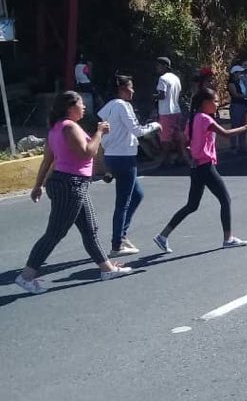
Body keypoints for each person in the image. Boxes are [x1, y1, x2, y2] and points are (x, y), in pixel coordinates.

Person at [15, 92, 133, 294]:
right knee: (55, 232)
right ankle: (26, 276)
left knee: (90, 228)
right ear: (70, 107)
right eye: (81, 104)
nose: (84, 107)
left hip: (72, 183)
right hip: (70, 184)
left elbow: (47, 161)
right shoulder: (69, 127)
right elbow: (88, 152)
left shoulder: (56, 128)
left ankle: (107, 269)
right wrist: (99, 132)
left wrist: (38, 185)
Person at [154, 88, 247, 253]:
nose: (218, 104)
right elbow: (226, 134)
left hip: (196, 166)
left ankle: (163, 236)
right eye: (216, 101)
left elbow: (183, 141)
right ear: (205, 103)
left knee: (192, 205)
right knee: (225, 200)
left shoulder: (193, 119)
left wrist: (189, 158)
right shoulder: (205, 119)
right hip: (205, 166)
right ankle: (228, 238)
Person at [98, 75, 162, 257]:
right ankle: (117, 244)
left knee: (137, 195)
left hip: (113, 156)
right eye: (130, 87)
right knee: (123, 203)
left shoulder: (110, 106)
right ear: (122, 89)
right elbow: (137, 130)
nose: (133, 91)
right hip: (124, 158)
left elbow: (106, 126)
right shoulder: (123, 106)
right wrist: (155, 125)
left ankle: (122, 235)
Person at [154, 57, 187, 166]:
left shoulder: (162, 79)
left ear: (164, 66)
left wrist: (153, 96)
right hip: (176, 110)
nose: (157, 68)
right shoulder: (176, 78)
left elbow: (162, 95)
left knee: (165, 137)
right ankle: (181, 156)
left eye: (159, 65)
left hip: (166, 112)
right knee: (176, 136)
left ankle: (166, 160)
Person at [227, 65, 247, 153]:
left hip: (244, 105)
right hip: (236, 105)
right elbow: (235, 95)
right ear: (234, 74)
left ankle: (242, 145)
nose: (241, 74)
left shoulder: (241, 82)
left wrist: (245, 82)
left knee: (243, 125)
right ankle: (233, 146)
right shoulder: (231, 83)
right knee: (235, 125)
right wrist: (246, 96)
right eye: (239, 73)